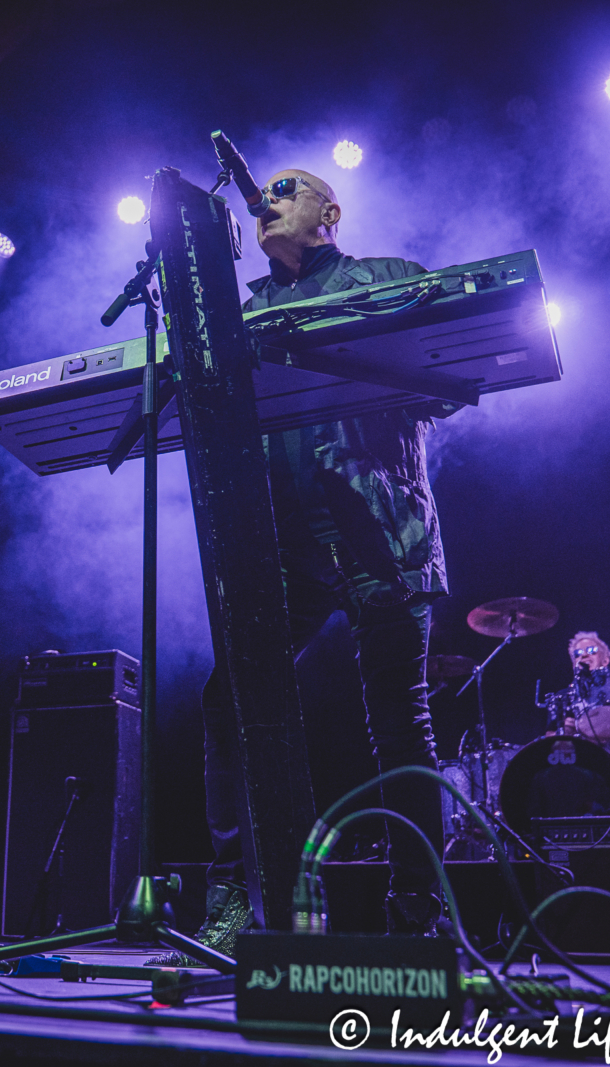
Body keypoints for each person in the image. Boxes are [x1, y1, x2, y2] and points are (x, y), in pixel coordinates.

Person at [165, 169, 454, 961]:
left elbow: (446, 381)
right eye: (264, 196)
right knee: (229, 697)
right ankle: (239, 896)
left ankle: (418, 908)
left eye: (286, 191)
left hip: (382, 535)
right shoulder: (244, 311)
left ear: (330, 212)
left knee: (399, 718)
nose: (268, 203)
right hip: (286, 546)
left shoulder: (385, 278)